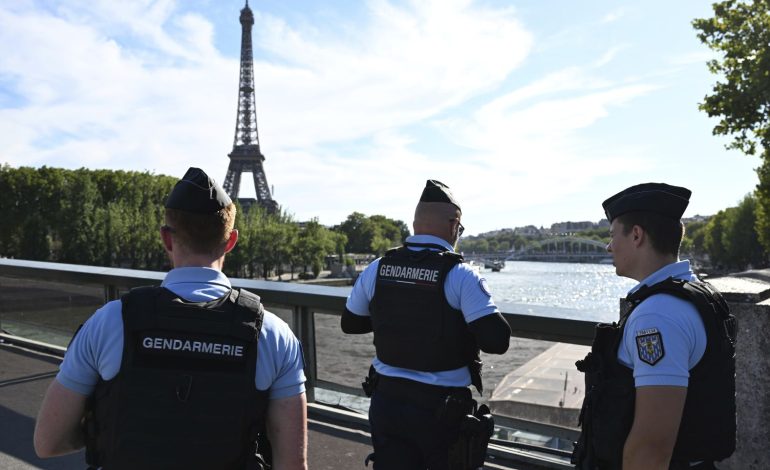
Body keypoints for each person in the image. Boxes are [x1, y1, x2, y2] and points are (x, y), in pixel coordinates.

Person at [33, 167, 308, 470]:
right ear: (231, 241)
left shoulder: (110, 322)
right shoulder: (274, 334)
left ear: (166, 238)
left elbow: (47, 442)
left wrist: (107, 431)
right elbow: (292, 464)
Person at [342, 179, 511, 470]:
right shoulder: (460, 275)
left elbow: (351, 323)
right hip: (441, 413)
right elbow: (497, 341)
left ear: (415, 224)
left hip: (387, 402)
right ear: (453, 225)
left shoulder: (378, 267)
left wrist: (397, 319)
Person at [572, 183, 736, 470]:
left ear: (636, 235)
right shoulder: (698, 294)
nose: (609, 246)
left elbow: (652, 446)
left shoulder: (657, 315)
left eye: (612, 235)